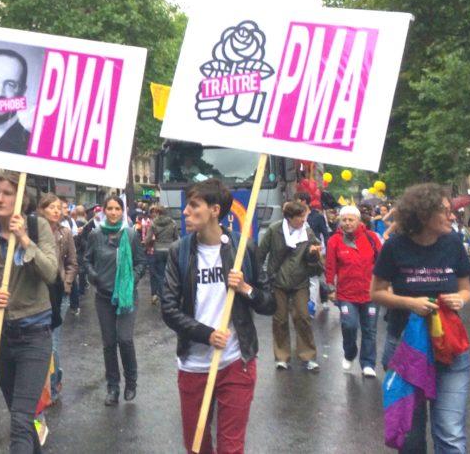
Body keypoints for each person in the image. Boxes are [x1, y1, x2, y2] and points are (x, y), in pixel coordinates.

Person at [161, 179, 275, 454]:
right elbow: (168, 308)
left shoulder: (243, 248)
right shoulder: (180, 251)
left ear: (214, 210)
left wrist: (246, 288)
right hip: (194, 365)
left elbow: (269, 304)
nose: (186, 211)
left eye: (193, 205)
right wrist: (206, 334)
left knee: (231, 447)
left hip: (237, 361)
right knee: (197, 446)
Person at [372, 183, 470, 453]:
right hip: (406, 348)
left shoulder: (453, 243)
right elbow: (377, 293)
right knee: (412, 439)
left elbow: (465, 288)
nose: (452, 217)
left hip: (449, 348)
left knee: (450, 434)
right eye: (445, 211)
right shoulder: (394, 247)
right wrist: (409, 303)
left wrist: (460, 299)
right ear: (424, 214)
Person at [0, 175, 58, 452]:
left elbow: (50, 272)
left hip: (34, 334)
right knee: (21, 416)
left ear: (20, 198)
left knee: (21, 418)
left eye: (7, 193)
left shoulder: (38, 226)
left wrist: (23, 239)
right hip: (0, 335)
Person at [85, 195, 144, 405]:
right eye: (109, 208)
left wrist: (131, 281)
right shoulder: (95, 234)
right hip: (104, 297)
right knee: (109, 343)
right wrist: (95, 277)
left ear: (122, 211)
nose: (113, 212)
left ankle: (131, 381)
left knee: (125, 339)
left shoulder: (131, 234)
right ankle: (113, 387)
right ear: (103, 211)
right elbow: (87, 261)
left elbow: (141, 262)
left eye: (117, 209)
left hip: (127, 297)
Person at [258, 200, 323, 371]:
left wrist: (313, 254)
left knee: (303, 317)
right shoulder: (274, 230)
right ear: (289, 218)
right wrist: (259, 275)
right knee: (279, 319)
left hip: (300, 282)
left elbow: (315, 260)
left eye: (303, 216)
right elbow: (261, 252)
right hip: (277, 281)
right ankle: (282, 357)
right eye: (299, 217)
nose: (303, 220)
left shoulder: (307, 233)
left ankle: (308, 356)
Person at [325, 205, 382, 377]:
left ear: (358, 221)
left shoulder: (371, 238)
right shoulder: (334, 241)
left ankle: (368, 363)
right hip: (346, 294)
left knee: (369, 330)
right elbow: (330, 266)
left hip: (370, 293)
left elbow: (383, 262)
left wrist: (386, 284)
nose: (348, 223)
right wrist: (330, 287)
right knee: (349, 325)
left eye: (351, 220)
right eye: (344, 220)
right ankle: (349, 353)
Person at [39, 194, 77, 403]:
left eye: (58, 207)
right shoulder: (34, 231)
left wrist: (68, 284)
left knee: (52, 344)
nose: (55, 210)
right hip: (38, 292)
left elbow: (72, 262)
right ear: (42, 209)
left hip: (58, 292)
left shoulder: (65, 233)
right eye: (51, 207)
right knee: (41, 343)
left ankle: (53, 386)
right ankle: (53, 376)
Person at [146, 204, 180, 305]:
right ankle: (172, 295)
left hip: (158, 250)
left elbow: (148, 238)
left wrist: (147, 245)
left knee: (160, 275)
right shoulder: (172, 223)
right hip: (170, 250)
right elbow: (176, 237)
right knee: (170, 273)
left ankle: (162, 296)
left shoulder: (153, 223)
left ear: (158, 212)